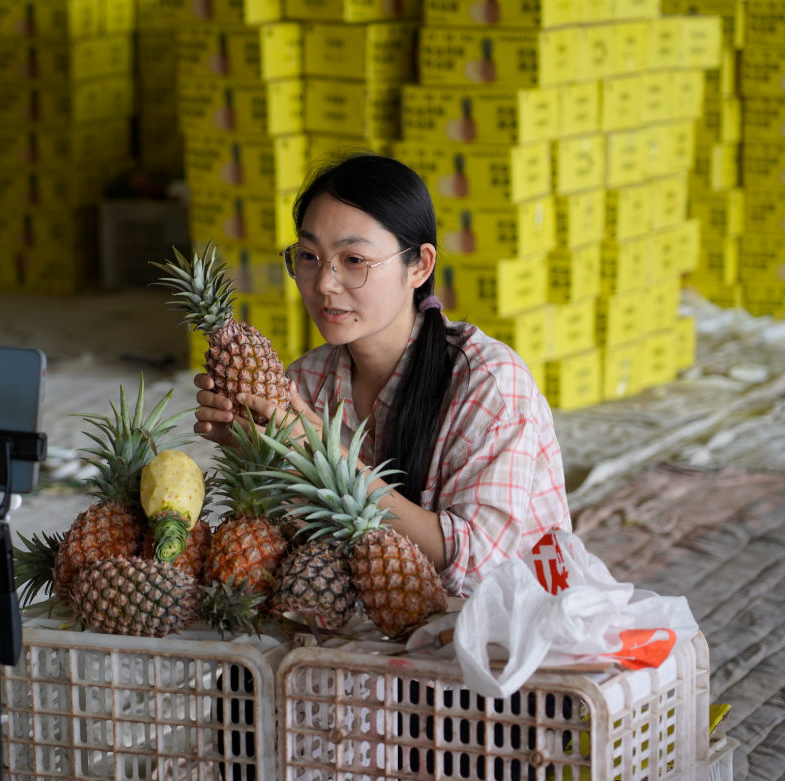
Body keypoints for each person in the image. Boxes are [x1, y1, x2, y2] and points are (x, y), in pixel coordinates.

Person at [192, 153, 572, 598]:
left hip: (503, 640)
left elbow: (477, 566)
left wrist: (329, 462)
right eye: (310, 256)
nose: (324, 284)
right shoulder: (306, 381)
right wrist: (255, 452)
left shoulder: (488, 383)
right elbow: (299, 551)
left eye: (353, 259)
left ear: (420, 266)